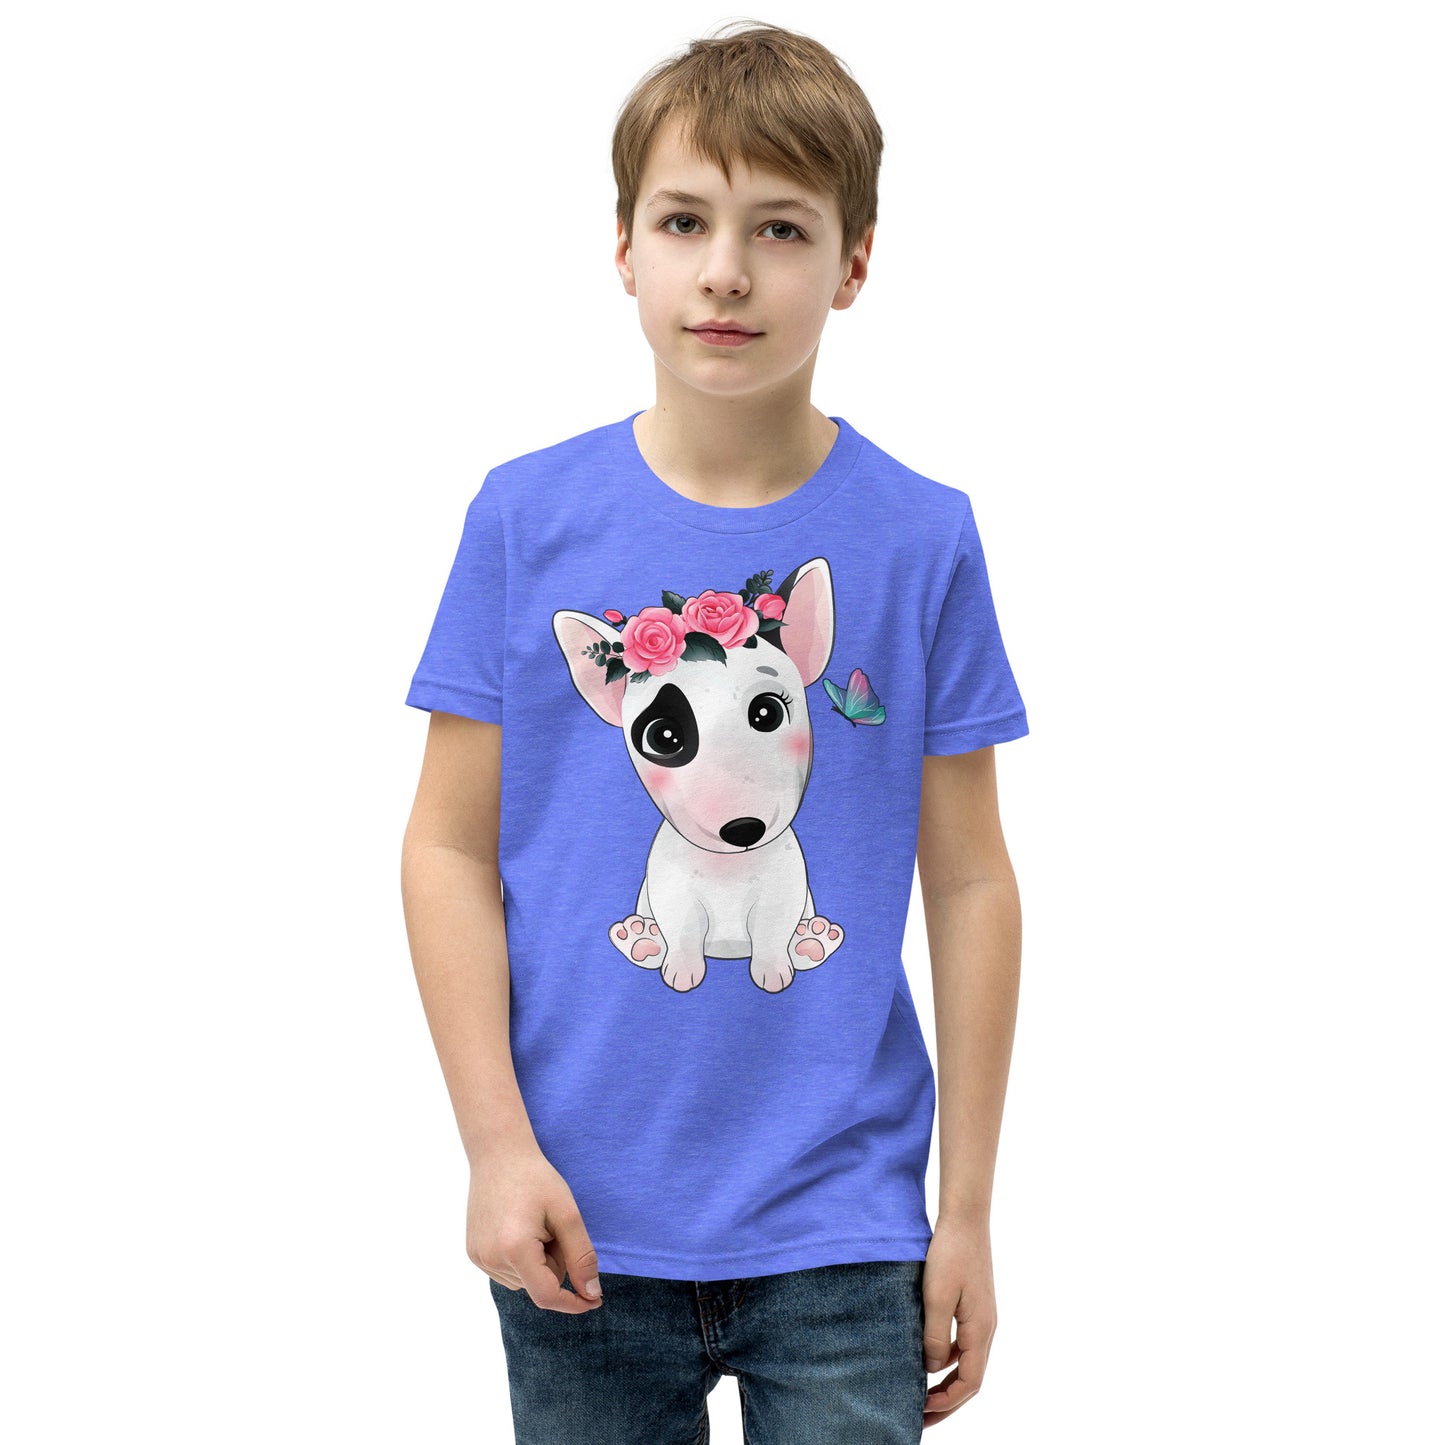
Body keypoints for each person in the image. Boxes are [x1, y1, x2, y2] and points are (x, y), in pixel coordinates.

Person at [400, 20, 1028, 1441]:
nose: (726, 271)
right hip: (576, 1215)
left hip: (844, 1217)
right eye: (684, 221)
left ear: (854, 262)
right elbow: (445, 849)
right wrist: (494, 1147)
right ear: (623, 247)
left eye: (780, 228)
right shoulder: (525, 520)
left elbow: (971, 879)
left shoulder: (921, 538)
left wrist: (969, 1210)